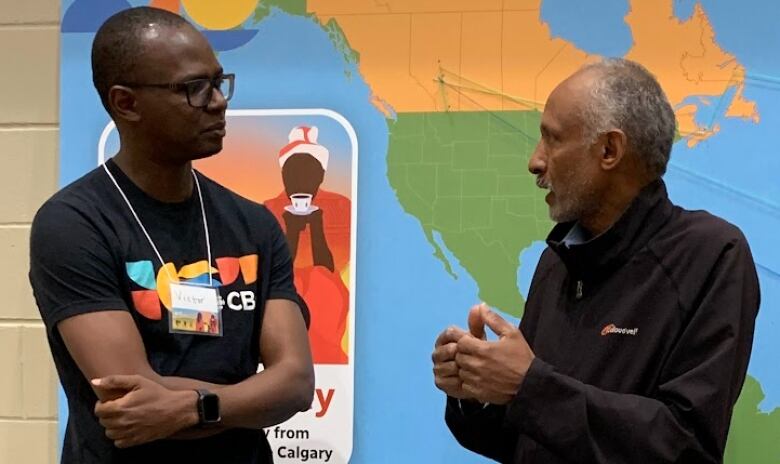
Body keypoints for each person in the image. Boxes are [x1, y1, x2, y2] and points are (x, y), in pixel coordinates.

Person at [432, 58, 760, 463]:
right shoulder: (558, 262)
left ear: (609, 150)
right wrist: (475, 390)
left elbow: (685, 446)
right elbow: (524, 438)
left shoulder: (712, 254)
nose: (535, 161)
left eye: (551, 139)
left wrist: (528, 387)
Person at [29, 7, 313, 463]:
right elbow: (130, 400)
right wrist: (248, 397)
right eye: (194, 89)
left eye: (219, 83)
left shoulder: (254, 224)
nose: (218, 101)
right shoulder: (73, 224)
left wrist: (192, 406)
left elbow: (295, 383)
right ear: (126, 103)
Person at [265, 126, 350, 364]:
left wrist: (316, 227)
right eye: (293, 172)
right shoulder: (267, 210)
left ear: (321, 175)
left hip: (325, 296)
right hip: (281, 300)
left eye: (310, 172)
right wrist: (291, 232)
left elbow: (329, 269)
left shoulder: (341, 206)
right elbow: (276, 276)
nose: (301, 180)